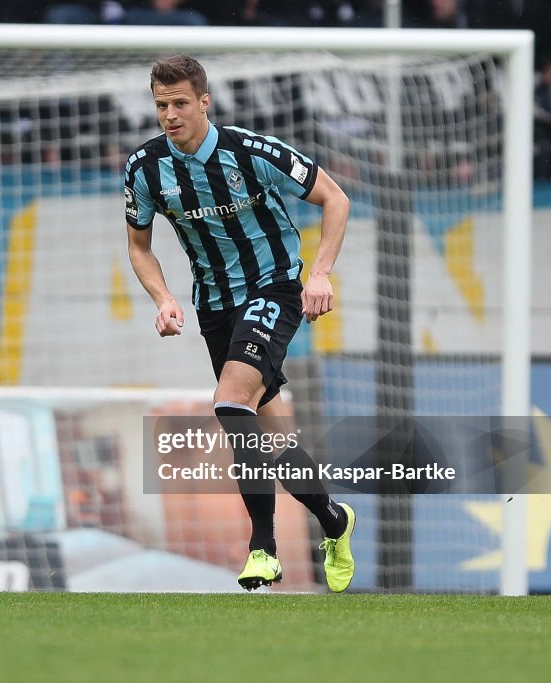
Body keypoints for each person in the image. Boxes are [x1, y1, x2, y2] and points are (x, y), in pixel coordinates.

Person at [125, 55, 356, 592]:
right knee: (271, 438)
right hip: (214, 306)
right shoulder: (145, 168)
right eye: (161, 105)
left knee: (229, 403)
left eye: (180, 103)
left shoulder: (251, 151)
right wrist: (162, 298)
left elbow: (334, 199)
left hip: (274, 286)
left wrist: (319, 274)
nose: (170, 115)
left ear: (204, 101)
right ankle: (334, 520)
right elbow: (139, 247)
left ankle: (263, 548)